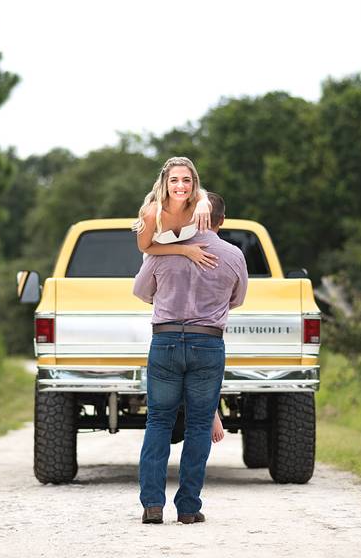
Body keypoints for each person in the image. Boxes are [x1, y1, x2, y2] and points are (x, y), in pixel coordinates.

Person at [133, 192, 248, 525]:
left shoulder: (163, 247)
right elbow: (236, 299)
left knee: (158, 421)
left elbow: (141, 292)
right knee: (199, 425)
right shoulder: (233, 255)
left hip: (166, 340)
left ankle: (152, 504)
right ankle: (188, 507)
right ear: (221, 221)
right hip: (208, 344)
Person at [133, 157, 224, 441]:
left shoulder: (201, 203)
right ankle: (209, 408)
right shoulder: (151, 213)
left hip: (193, 267)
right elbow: (146, 247)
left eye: (186, 180)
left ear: (193, 182)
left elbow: (208, 205)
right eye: (174, 180)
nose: (180, 186)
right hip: (161, 259)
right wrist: (185, 251)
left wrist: (204, 205)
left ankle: (211, 409)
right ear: (165, 183)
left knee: (205, 319)